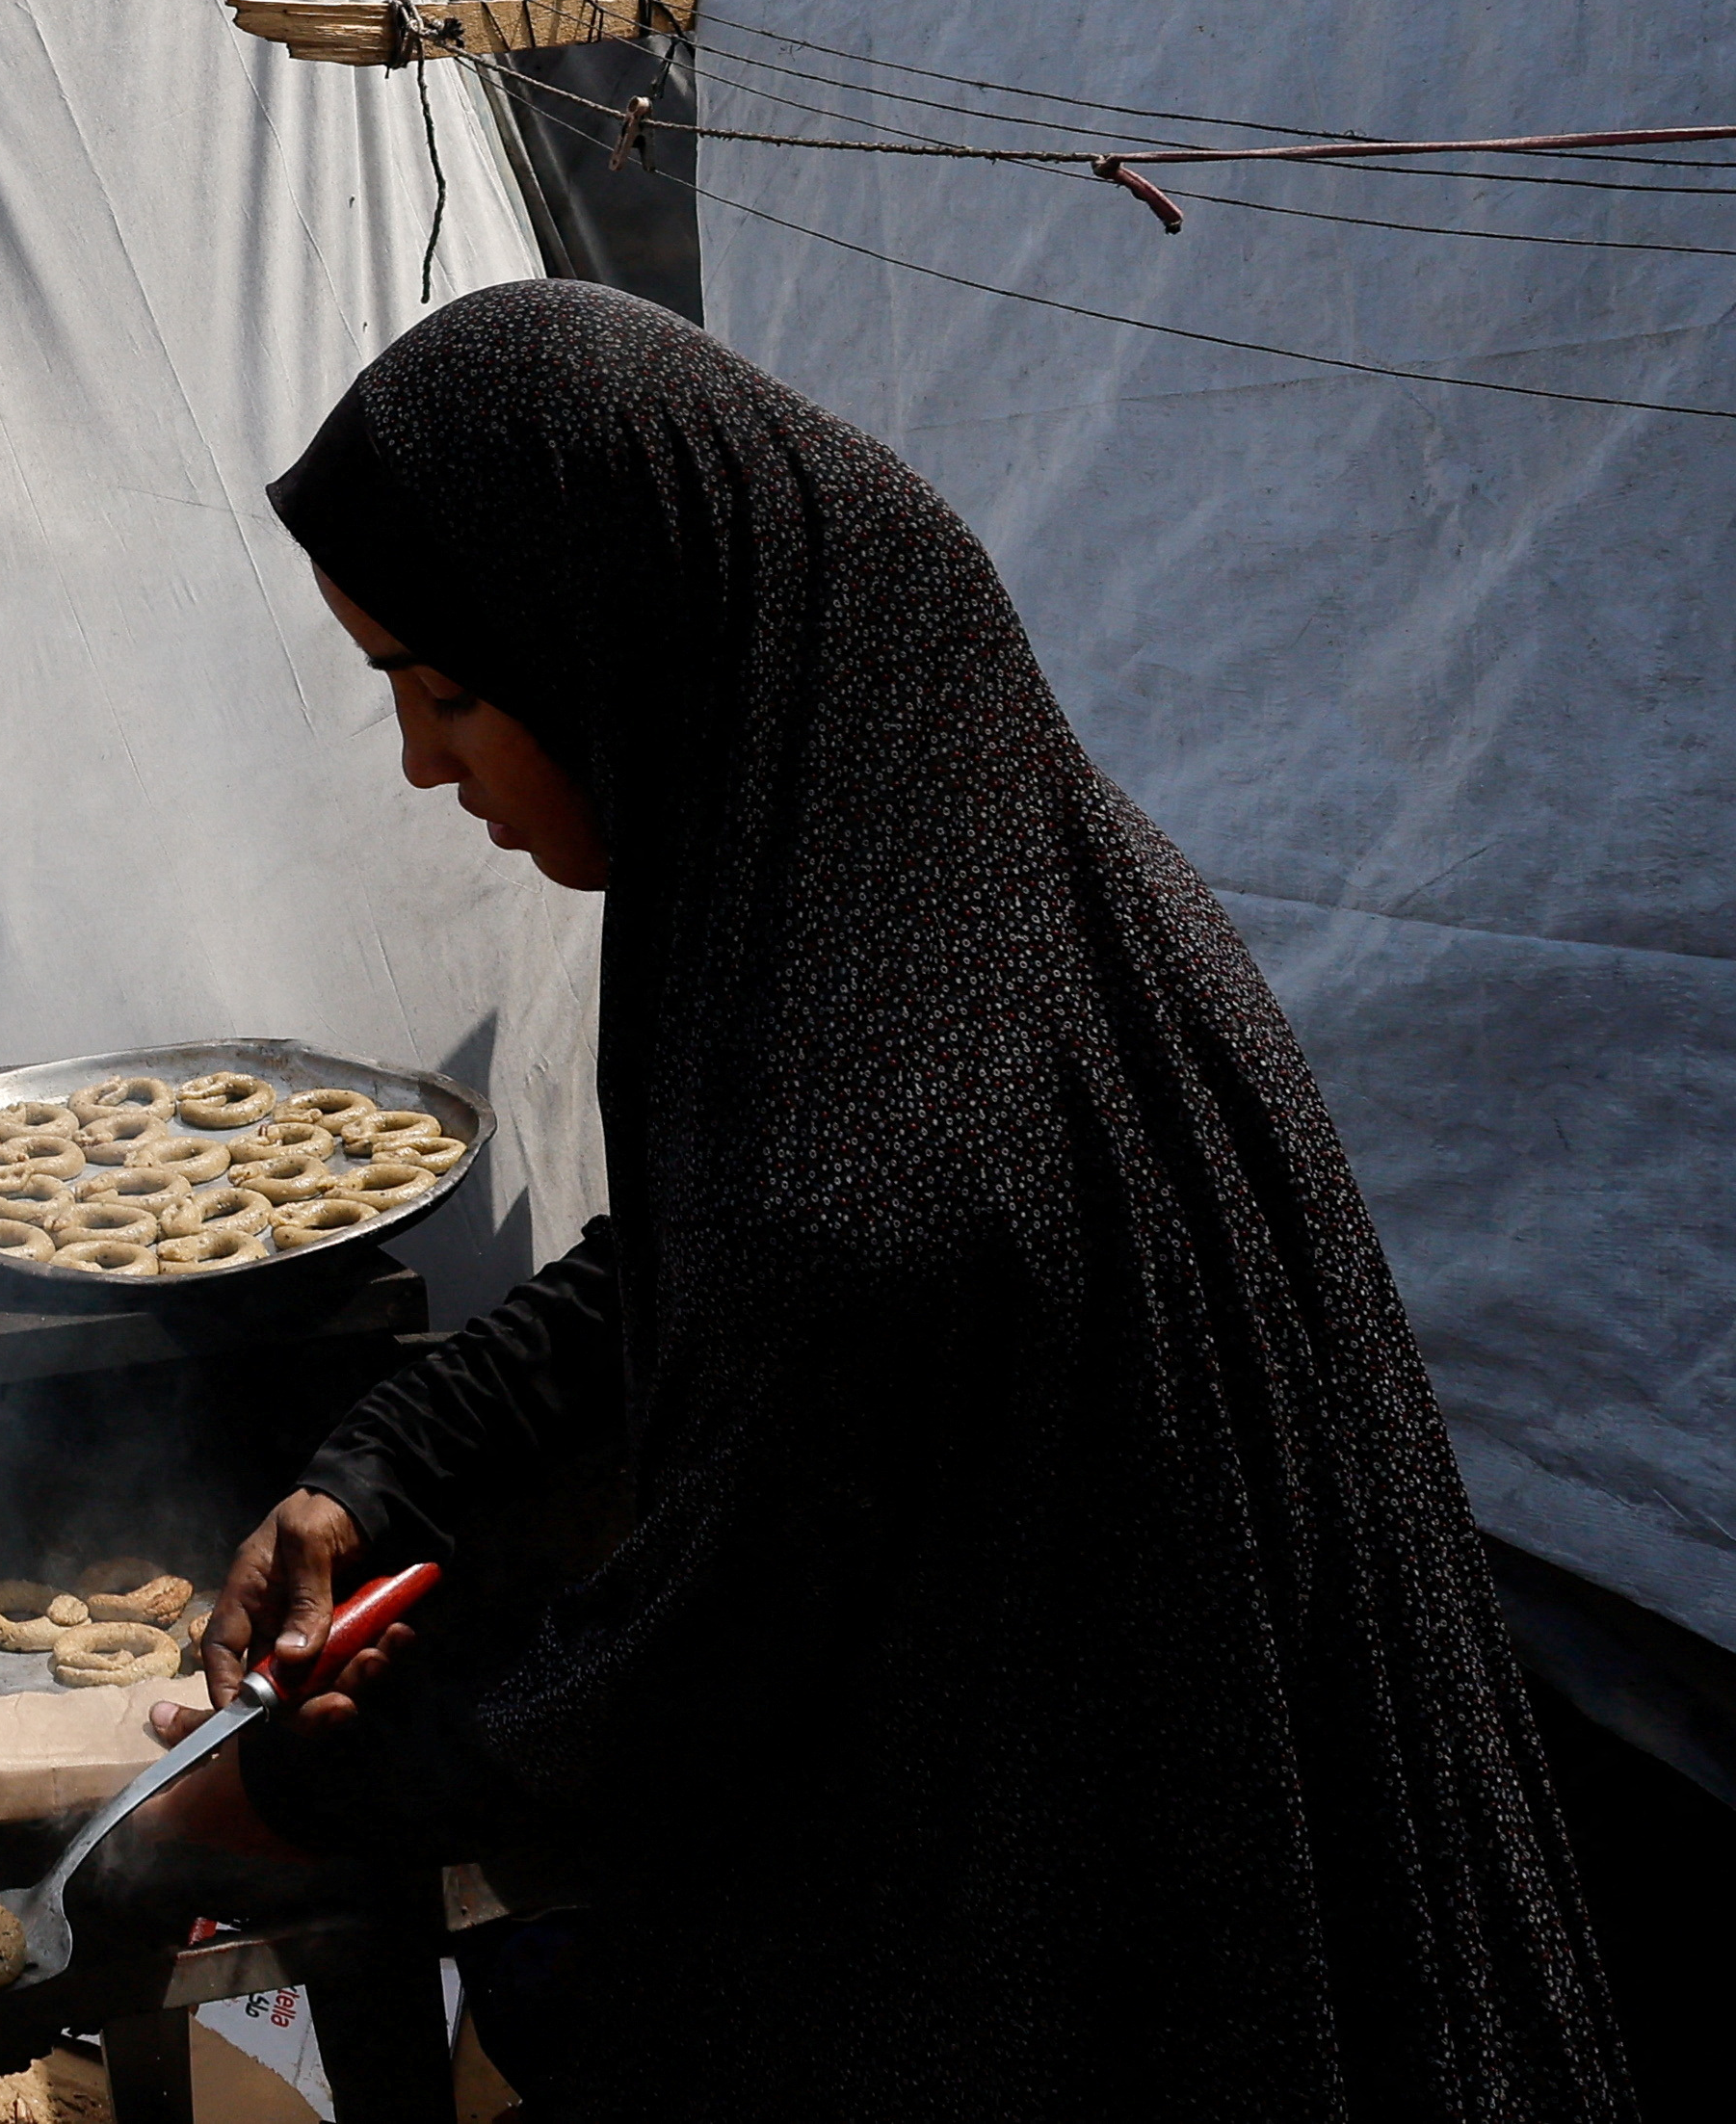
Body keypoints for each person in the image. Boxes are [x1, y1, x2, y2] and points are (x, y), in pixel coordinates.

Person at [129, 282, 1628, 2122]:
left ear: (624, 645)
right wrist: (380, 1460)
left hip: (1101, 1947)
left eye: (444, 688)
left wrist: (274, 1799)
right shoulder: (932, 881)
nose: (429, 762)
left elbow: (677, 1672)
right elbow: (682, 1268)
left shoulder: (890, 1137)